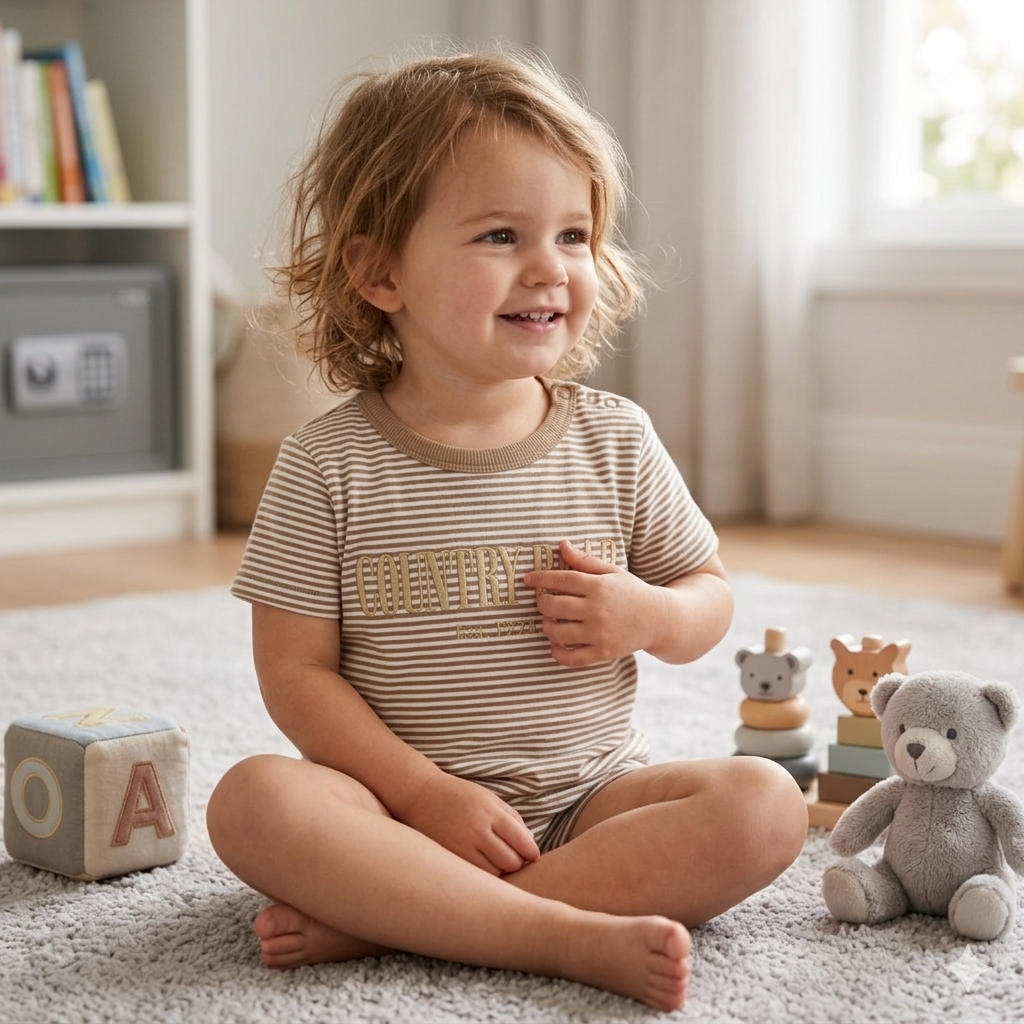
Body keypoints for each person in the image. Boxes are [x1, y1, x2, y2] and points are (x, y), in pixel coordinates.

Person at [206, 48, 808, 1013]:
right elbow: (295, 674)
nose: (550, 268)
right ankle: (552, 934)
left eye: (574, 234)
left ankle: (402, 919)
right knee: (254, 801)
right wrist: (421, 796)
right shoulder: (327, 463)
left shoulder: (615, 438)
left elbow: (710, 598)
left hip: (588, 805)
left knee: (766, 805)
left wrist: (648, 617)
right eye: (499, 234)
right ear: (379, 270)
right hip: (393, 810)